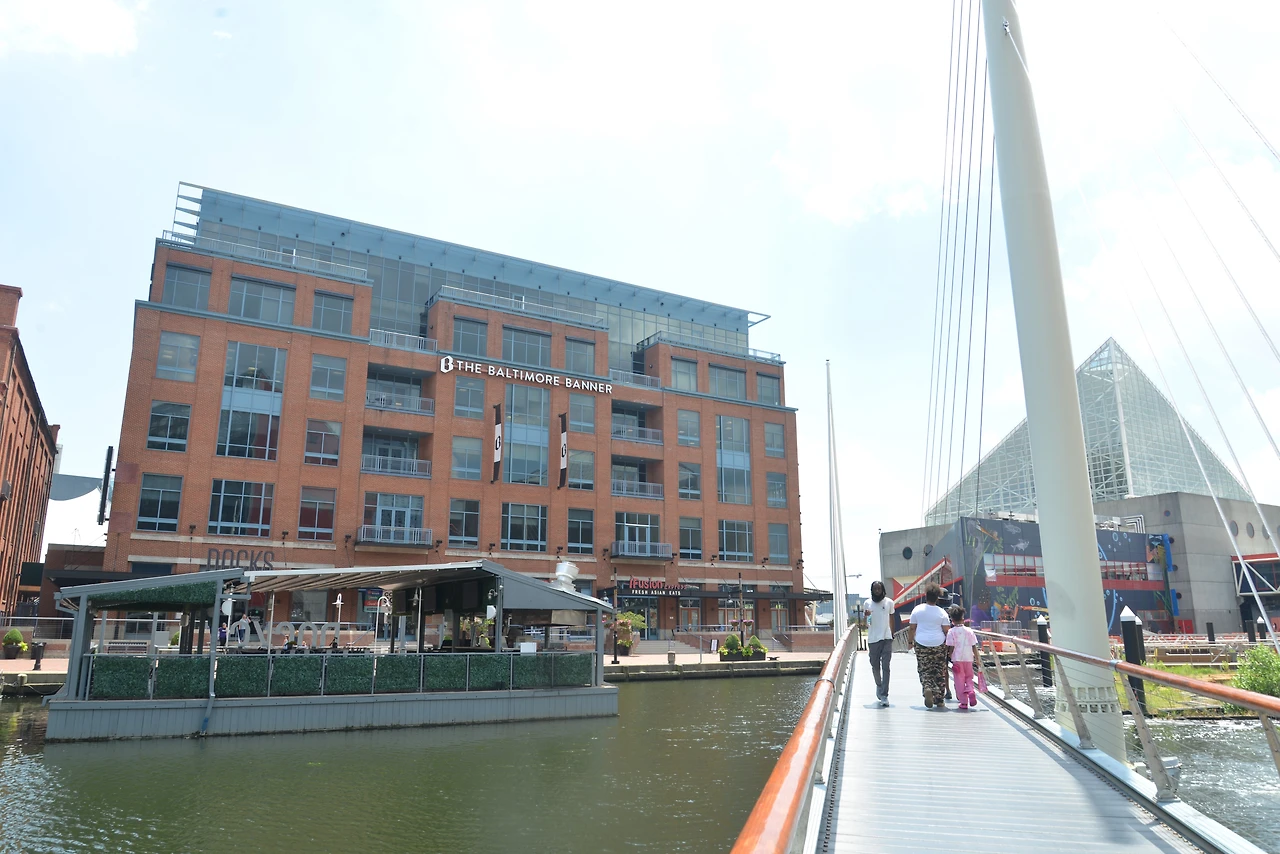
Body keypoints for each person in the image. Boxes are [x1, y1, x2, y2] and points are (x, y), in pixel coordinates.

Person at [908, 584, 951, 709]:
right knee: (939, 670)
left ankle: (927, 687)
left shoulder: (917, 610)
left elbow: (912, 628)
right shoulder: (942, 612)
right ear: (937, 597)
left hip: (921, 643)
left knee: (924, 669)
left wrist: (910, 642)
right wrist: (949, 646)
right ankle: (939, 699)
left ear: (926, 595)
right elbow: (947, 631)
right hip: (939, 644)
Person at [864, 581, 895, 707]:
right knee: (875, 665)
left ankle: (884, 695)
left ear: (883, 590)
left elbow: (892, 618)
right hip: (873, 639)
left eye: (879, 588)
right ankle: (879, 685)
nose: (877, 591)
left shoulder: (889, 602)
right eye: (875, 589)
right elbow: (867, 623)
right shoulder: (867, 603)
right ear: (872, 590)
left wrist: (892, 634)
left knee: (886, 666)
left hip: (886, 637)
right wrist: (866, 617)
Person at [946, 605, 979, 710]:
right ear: (963, 618)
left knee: (959, 681)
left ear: (952, 620)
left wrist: (949, 654)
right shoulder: (969, 631)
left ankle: (964, 702)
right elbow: (974, 646)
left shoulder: (951, 632)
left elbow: (951, 646)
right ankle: (971, 690)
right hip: (969, 658)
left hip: (957, 660)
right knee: (969, 677)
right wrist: (977, 659)